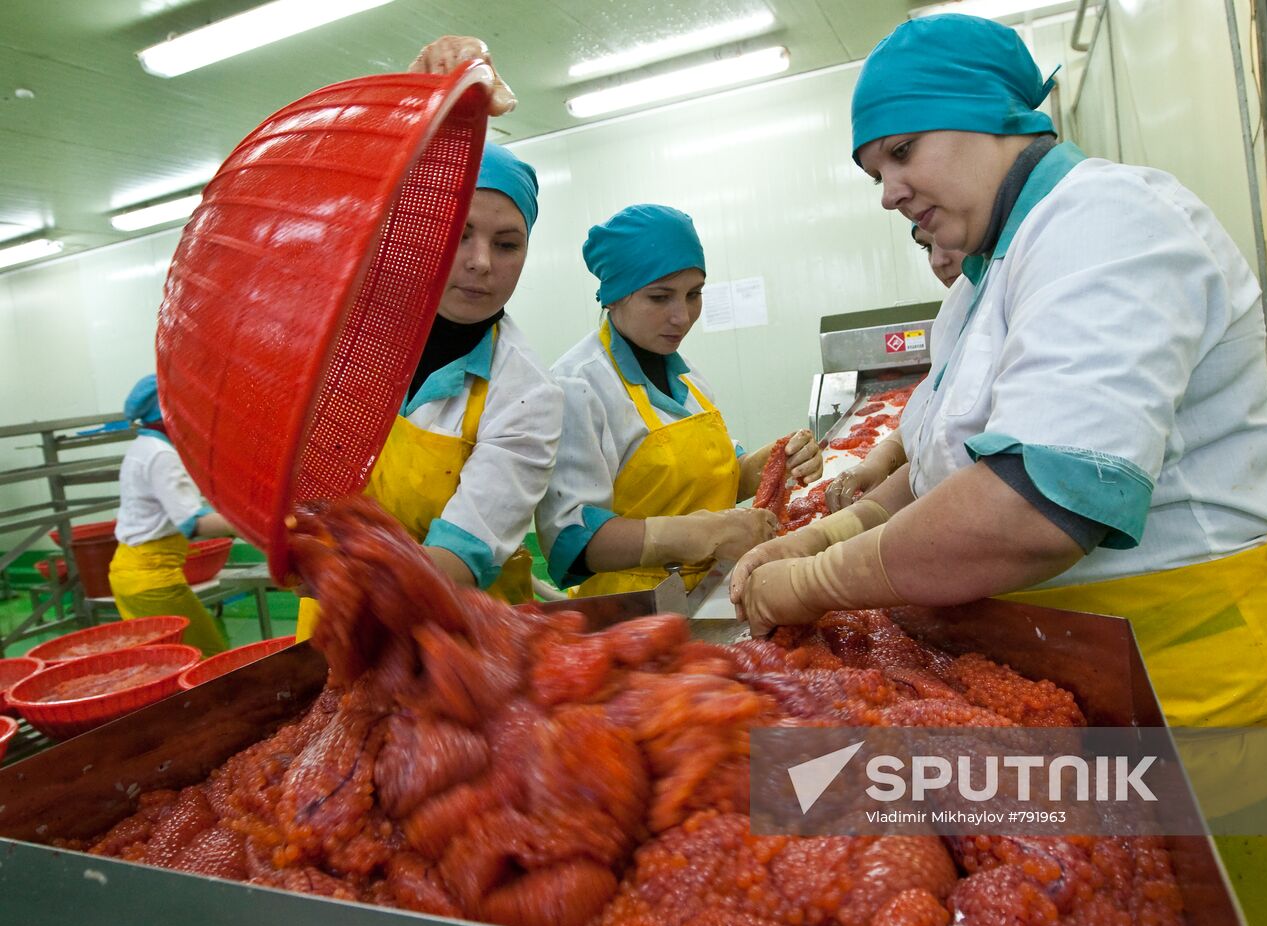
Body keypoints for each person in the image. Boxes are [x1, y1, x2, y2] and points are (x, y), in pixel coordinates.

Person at [730, 16, 1267, 926]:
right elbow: (942, 467)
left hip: (1210, 713)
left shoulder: (1110, 221)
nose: (887, 191)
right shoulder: (981, 283)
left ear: (991, 118)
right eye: (873, 170)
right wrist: (836, 527)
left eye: (903, 151)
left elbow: (1030, 509)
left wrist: (819, 580)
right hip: (1085, 708)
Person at [295, 139, 562, 639]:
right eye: (458, 234)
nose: (481, 262)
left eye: (506, 244)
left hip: (461, 641)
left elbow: (462, 554)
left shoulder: (526, 392)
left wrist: (325, 571)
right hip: (333, 633)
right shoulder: (347, 343)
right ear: (419, 234)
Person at [537, 204, 821, 597]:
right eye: (660, 297)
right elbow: (572, 540)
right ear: (614, 297)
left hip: (711, 591)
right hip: (636, 610)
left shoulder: (688, 375)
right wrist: (705, 533)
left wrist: (775, 461)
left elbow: (718, 476)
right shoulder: (577, 386)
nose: (682, 317)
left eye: (694, 294)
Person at [825, 230, 969, 512]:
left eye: (948, 238)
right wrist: (881, 458)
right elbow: (933, 411)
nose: (938, 261)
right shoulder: (957, 306)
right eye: (927, 247)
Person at [109, 375, 238, 656]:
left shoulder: (143, 447)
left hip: (131, 574)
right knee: (208, 660)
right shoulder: (160, 455)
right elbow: (193, 523)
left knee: (170, 660)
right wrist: (252, 525)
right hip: (152, 580)